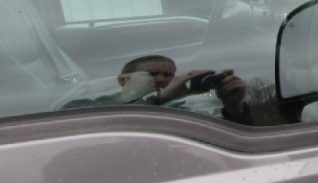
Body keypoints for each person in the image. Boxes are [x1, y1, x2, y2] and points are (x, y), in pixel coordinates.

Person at [64, 55, 251, 124]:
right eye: (151, 74)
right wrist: (155, 99)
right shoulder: (94, 106)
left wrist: (234, 105)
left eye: (169, 75)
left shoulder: (190, 107)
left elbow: (236, 139)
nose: (162, 79)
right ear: (123, 81)